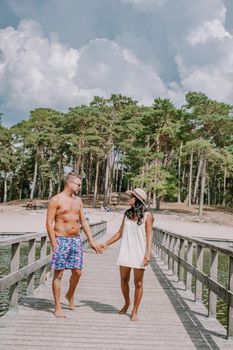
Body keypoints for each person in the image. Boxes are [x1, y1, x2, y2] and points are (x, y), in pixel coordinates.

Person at [46, 172, 101, 318]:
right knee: (59, 273)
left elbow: (83, 222)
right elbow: (49, 223)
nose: (79, 186)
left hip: (76, 240)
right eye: (78, 184)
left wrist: (91, 241)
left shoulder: (78, 201)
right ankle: (57, 306)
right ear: (69, 183)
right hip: (61, 240)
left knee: (77, 272)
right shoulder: (56, 200)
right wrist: (53, 243)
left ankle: (70, 294)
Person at [101, 188, 153, 322]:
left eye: (131, 196)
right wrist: (106, 244)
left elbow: (149, 236)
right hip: (126, 251)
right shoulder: (127, 214)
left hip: (139, 253)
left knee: (138, 283)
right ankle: (127, 302)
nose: (128, 198)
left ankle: (135, 310)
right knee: (124, 280)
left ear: (138, 199)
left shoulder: (148, 216)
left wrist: (148, 254)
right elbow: (119, 233)